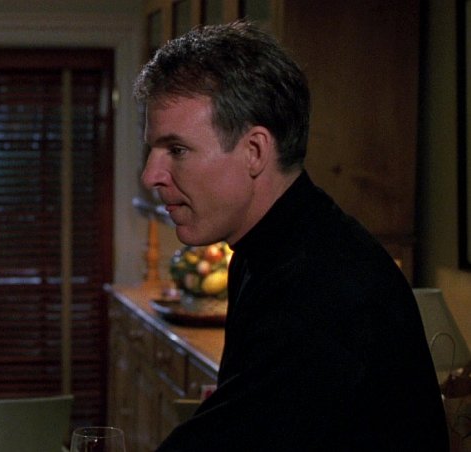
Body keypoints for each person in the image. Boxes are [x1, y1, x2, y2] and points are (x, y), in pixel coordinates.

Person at [136, 21, 448, 451]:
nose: (151, 174)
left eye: (177, 150)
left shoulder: (324, 285)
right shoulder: (268, 250)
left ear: (255, 151)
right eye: (153, 149)